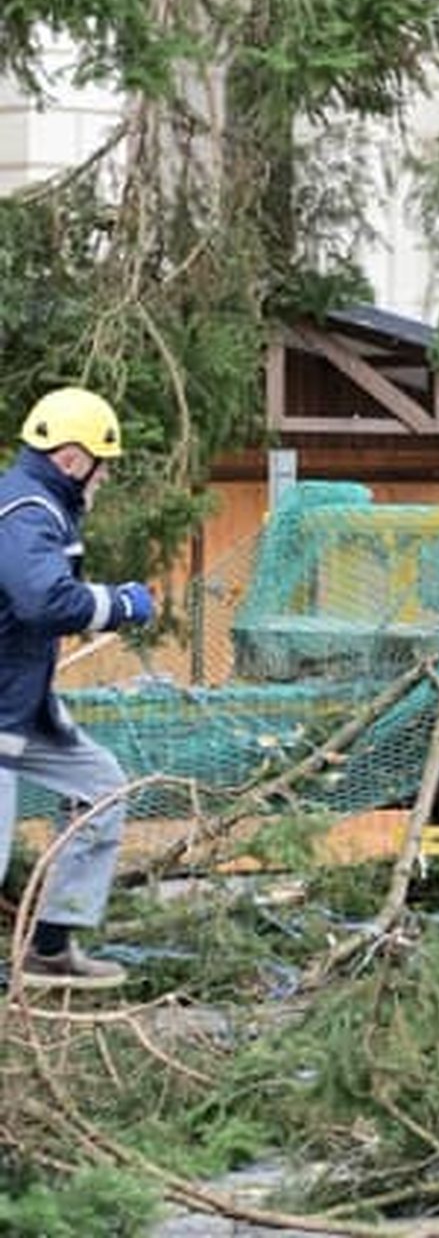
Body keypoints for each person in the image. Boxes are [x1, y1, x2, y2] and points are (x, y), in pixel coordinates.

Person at [0, 386, 155, 990]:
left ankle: (50, 947)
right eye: (102, 463)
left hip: (20, 706)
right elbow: (43, 601)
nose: (105, 476)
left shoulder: (41, 507)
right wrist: (120, 603)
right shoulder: (26, 512)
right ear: (71, 459)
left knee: (101, 788)